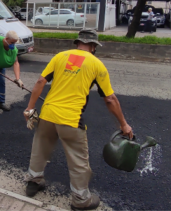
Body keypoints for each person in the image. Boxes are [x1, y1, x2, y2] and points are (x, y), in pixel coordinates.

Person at [23, 29, 133, 211]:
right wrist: (123, 124)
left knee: (39, 149)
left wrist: (30, 108)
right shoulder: (96, 64)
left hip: (48, 115)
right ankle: (81, 200)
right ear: (93, 46)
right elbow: (110, 99)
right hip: (71, 120)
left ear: (77, 43)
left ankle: (34, 182)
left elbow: (40, 82)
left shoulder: (60, 57)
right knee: (78, 161)